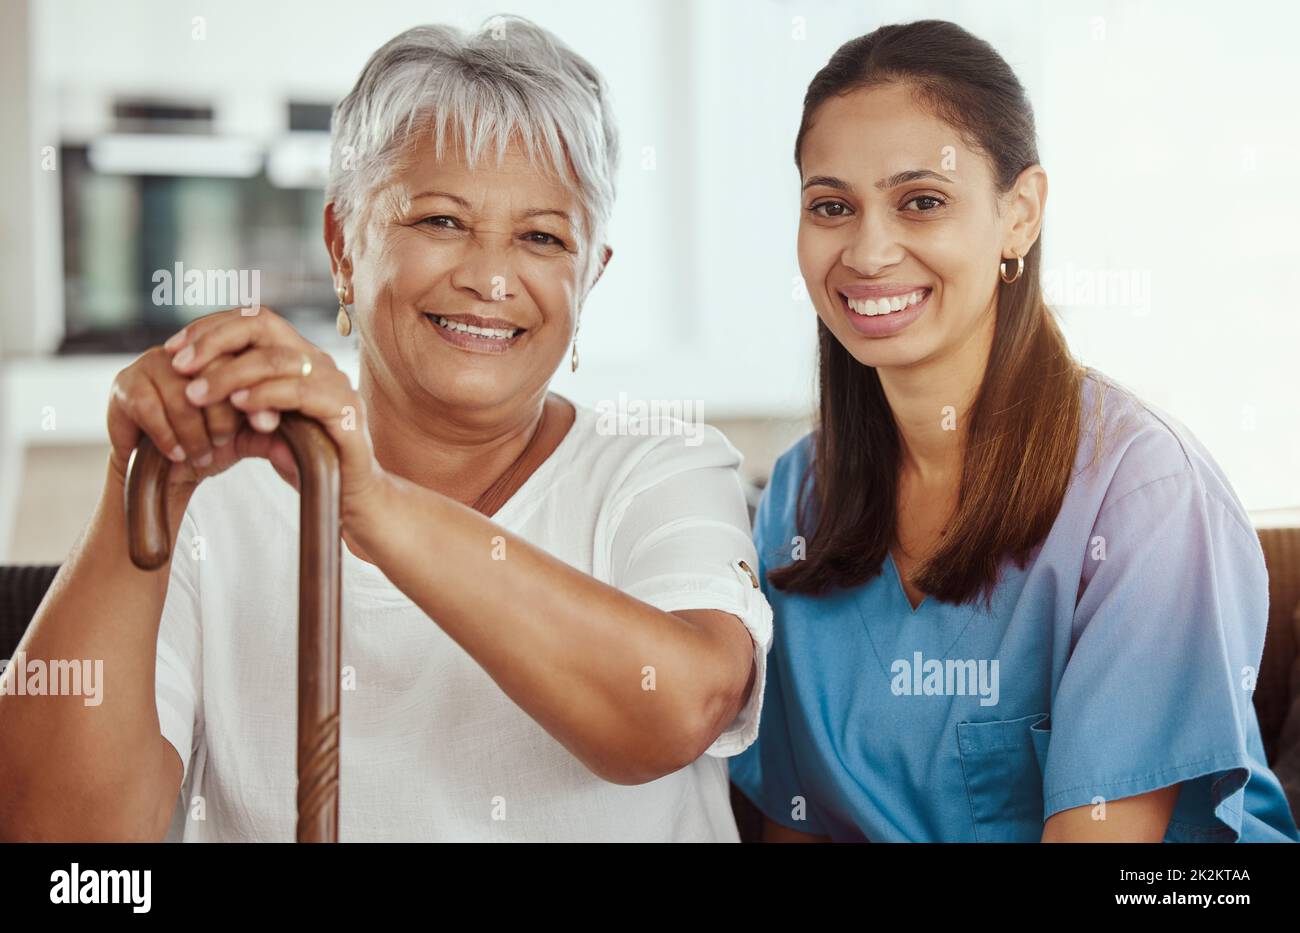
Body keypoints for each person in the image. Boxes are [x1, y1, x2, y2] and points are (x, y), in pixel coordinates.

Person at [0, 16, 771, 842]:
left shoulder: (661, 464)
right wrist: (140, 484)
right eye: (439, 221)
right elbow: (61, 844)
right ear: (342, 245)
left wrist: (369, 502)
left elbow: (677, 708)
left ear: (591, 276)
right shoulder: (219, 500)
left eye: (542, 237)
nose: (488, 277)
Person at [728, 19, 1299, 843]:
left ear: (1019, 215)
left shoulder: (1144, 495)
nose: (868, 249)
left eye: (921, 201)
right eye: (832, 205)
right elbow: (799, 826)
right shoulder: (796, 498)